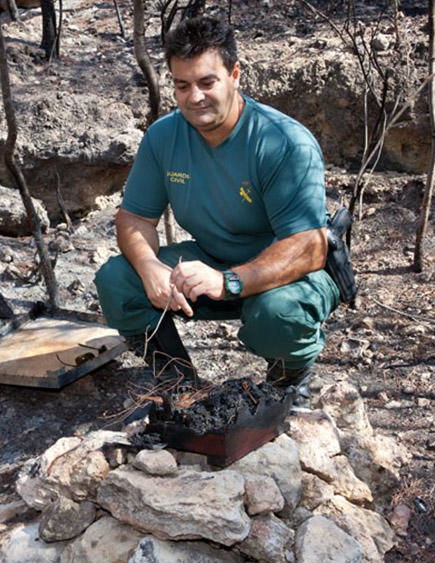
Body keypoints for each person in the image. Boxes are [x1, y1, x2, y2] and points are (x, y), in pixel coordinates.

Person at [94, 16, 347, 397]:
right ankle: (179, 384)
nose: (194, 97)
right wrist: (149, 268)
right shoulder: (164, 136)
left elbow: (309, 245)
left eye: (206, 82)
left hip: (291, 274)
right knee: (118, 281)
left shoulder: (283, 143)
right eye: (182, 85)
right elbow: (135, 216)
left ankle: (288, 384)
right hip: (213, 260)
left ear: (235, 75)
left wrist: (228, 282)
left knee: (277, 314)